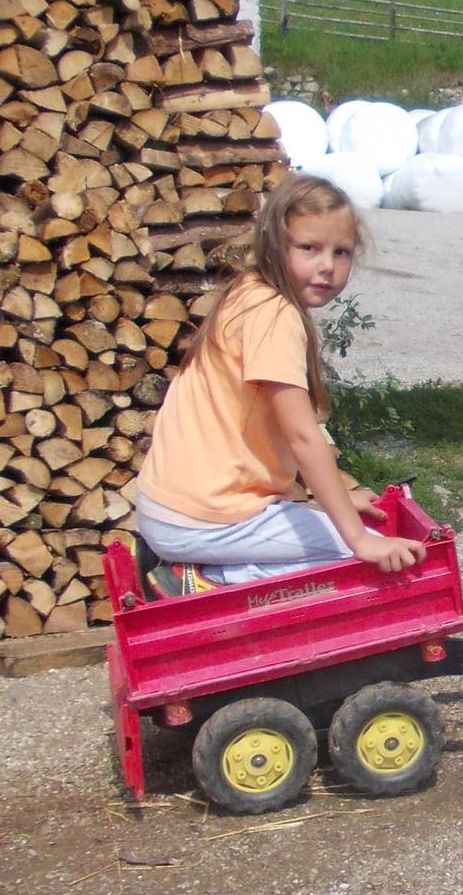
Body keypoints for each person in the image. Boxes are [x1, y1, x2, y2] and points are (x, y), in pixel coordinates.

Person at [133, 174, 424, 595]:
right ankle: (209, 580)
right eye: (309, 248)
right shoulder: (274, 316)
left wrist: (325, 505)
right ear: (275, 244)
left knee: (356, 541)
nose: (327, 265)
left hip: (180, 507)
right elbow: (302, 436)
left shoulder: (251, 292)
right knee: (374, 559)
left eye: (340, 252)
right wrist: (357, 538)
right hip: (207, 518)